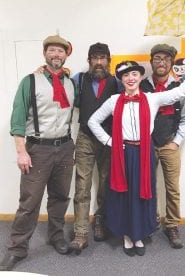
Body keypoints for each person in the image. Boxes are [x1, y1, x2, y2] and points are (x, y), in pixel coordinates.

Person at [87, 47, 185, 256]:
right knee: (124, 195)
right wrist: (109, 141)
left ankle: (139, 234)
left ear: (140, 76)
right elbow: (93, 121)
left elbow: (181, 91)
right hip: (123, 153)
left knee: (143, 195)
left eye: (135, 74)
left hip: (143, 153)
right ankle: (127, 235)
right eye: (126, 75)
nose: (131, 78)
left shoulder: (152, 99)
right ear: (122, 79)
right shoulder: (115, 101)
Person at [0, 35, 77, 271]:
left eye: (60, 51)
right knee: (29, 202)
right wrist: (22, 152)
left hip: (65, 147)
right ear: (45, 54)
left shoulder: (71, 82)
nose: (56, 54)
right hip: (38, 149)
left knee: (60, 197)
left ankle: (56, 236)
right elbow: (18, 120)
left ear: (66, 55)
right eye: (52, 50)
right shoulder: (29, 81)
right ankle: (17, 249)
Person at [140, 44, 185, 249]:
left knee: (172, 188)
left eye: (166, 59)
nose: (161, 63)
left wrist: (176, 141)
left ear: (171, 63)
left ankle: (172, 225)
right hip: (146, 145)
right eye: (157, 58)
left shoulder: (181, 87)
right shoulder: (141, 85)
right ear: (152, 61)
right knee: (148, 186)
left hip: (169, 143)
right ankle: (151, 221)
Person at [70, 43, 118, 253]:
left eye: (103, 58)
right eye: (95, 58)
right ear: (89, 60)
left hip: (108, 139)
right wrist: (43, 71)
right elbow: (59, 84)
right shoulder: (78, 80)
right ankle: (80, 233)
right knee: (82, 186)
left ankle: (101, 220)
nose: (99, 62)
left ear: (109, 60)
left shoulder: (117, 82)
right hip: (85, 138)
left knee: (106, 183)